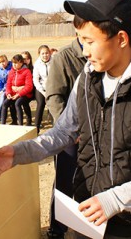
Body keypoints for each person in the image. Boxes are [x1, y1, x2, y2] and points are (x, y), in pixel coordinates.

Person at [0, 0, 131, 239]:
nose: (84, 51)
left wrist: (114, 200)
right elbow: (63, 132)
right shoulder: (86, 79)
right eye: (82, 41)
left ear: (122, 39)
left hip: (127, 226)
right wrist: (19, 152)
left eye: (90, 41)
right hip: (84, 215)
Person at [44, 37, 86, 239]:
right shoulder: (63, 57)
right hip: (68, 136)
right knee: (64, 182)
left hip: (93, 135)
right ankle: (57, 229)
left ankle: (86, 227)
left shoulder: (100, 53)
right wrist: (69, 131)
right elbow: (53, 97)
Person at [1, 54, 33, 125]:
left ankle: (20, 125)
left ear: (21, 63)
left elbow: (29, 86)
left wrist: (19, 94)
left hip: (25, 94)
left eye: (16, 63)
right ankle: (2, 124)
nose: (14, 65)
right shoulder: (11, 72)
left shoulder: (27, 71)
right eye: (13, 63)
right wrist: (8, 93)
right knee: (5, 103)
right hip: (13, 94)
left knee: (17, 103)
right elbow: (8, 84)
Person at [33, 44, 52, 133]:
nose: (45, 55)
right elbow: (35, 80)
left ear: (50, 53)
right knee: (41, 103)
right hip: (40, 88)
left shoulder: (54, 61)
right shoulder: (37, 64)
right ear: (39, 54)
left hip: (52, 87)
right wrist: (43, 91)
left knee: (52, 104)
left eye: (47, 53)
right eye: (43, 53)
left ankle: (55, 127)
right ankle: (36, 128)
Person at [21, 50, 34, 124]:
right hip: (23, 90)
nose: (25, 61)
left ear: (29, 59)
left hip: (32, 90)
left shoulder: (33, 68)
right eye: (23, 59)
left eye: (26, 59)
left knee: (24, 100)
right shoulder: (20, 69)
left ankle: (29, 120)